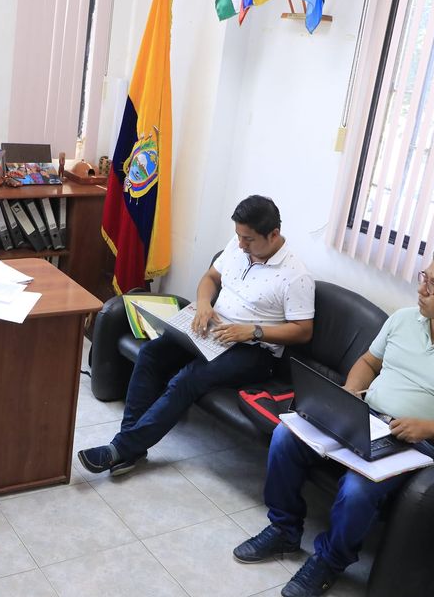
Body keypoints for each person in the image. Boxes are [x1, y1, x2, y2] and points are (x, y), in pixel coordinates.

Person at [234, 242, 434, 597]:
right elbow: (368, 362)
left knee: (357, 489)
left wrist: (430, 428)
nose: (422, 289)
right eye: (424, 277)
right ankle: (283, 529)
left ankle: (329, 561)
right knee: (286, 437)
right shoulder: (403, 320)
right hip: (366, 417)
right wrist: (350, 393)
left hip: (418, 444)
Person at [78, 195, 315, 475]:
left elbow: (303, 331)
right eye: (239, 236)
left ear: (273, 234)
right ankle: (131, 447)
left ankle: (120, 449)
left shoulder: (296, 276)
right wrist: (203, 303)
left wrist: (253, 331)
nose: (241, 244)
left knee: (188, 378)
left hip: (253, 351)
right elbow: (210, 278)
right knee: (152, 352)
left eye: (249, 239)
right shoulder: (237, 246)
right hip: (213, 330)